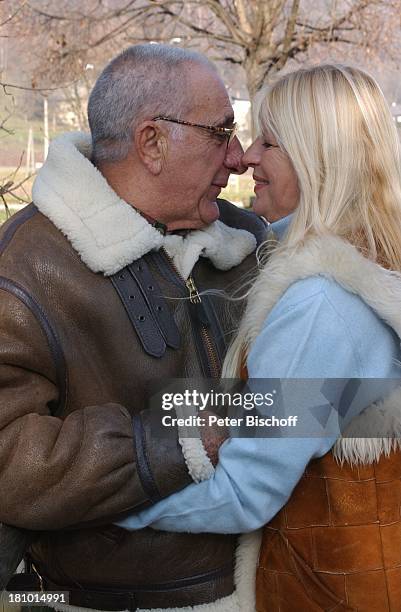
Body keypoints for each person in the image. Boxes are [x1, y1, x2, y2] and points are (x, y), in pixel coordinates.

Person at [118, 64, 401, 611]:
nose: (246, 156)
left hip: (316, 594)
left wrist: (112, 510)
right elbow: (318, 410)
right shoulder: (375, 263)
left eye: (269, 141)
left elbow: (248, 492)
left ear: (318, 158)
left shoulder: (320, 305)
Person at [0, 44, 266, 611]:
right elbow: (8, 457)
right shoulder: (27, 263)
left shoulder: (251, 243)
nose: (239, 157)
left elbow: (316, 407)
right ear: (152, 142)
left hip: (264, 586)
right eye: (221, 133)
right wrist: (179, 439)